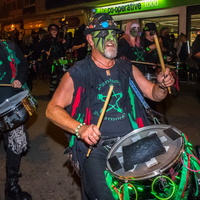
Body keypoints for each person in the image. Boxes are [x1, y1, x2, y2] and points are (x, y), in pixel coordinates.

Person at [46, 13, 175, 200]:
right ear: (90, 39)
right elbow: (52, 109)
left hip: (133, 140)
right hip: (97, 147)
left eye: (113, 35)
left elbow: (154, 94)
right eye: (103, 34)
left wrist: (162, 85)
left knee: (159, 187)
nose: (110, 39)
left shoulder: (126, 67)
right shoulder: (78, 72)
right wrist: (80, 128)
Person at [0, 39, 32, 199]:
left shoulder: (9, 46)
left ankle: (11, 188)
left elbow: (24, 65)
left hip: (9, 106)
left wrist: (20, 78)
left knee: (15, 143)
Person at [33, 24, 66, 97]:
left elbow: (63, 50)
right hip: (51, 61)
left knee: (61, 76)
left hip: (60, 60)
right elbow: (37, 48)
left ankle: (59, 92)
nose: (54, 31)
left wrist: (64, 43)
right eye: (52, 29)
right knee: (54, 77)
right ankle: (52, 93)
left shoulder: (59, 40)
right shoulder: (46, 39)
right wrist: (45, 51)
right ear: (49, 31)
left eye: (55, 30)